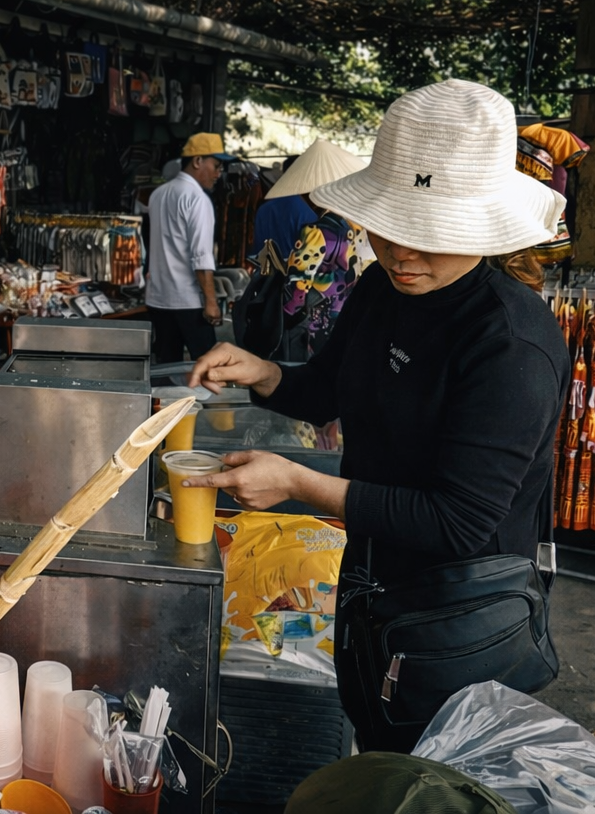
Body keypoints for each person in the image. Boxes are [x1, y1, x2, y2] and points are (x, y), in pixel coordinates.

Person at [186, 80, 570, 752]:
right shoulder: (379, 289)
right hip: (372, 590)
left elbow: (458, 522)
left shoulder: (510, 343)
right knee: (372, 747)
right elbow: (329, 389)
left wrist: (300, 485)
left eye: (432, 234)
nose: (402, 251)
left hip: (461, 622)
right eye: (393, 225)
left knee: (425, 777)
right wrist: (263, 370)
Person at [262, 139, 370, 360]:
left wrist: (284, 320)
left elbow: (298, 284)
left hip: (312, 326)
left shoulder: (316, 232)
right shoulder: (358, 228)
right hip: (344, 319)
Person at [145, 133, 234, 363]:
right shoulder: (197, 199)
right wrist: (211, 302)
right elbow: (201, 255)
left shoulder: (158, 194)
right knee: (209, 369)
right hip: (188, 301)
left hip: (158, 298)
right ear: (197, 161)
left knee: (165, 368)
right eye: (215, 165)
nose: (218, 173)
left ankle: (164, 401)